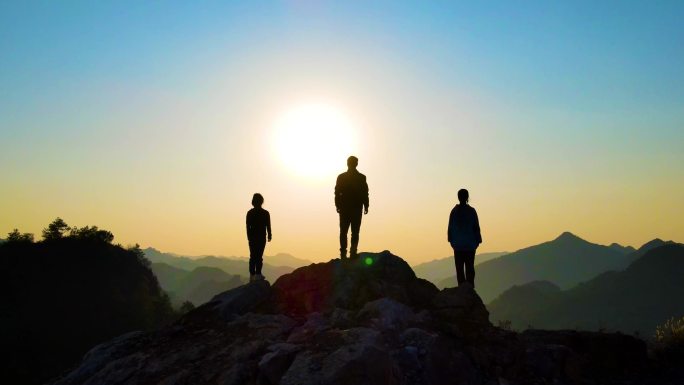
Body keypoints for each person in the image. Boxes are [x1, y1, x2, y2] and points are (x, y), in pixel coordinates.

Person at [334, 156, 369, 259]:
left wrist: (337, 204)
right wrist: (366, 205)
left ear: (347, 163)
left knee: (344, 231)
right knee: (354, 232)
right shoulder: (361, 177)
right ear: (356, 164)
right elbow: (365, 193)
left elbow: (337, 193)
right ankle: (352, 253)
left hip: (346, 208)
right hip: (356, 208)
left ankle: (343, 254)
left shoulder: (341, 177)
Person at [447, 188, 482, 287]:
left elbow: (450, 229)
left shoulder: (454, 212)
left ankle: (461, 288)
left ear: (458, 197)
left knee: (459, 268)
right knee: (470, 267)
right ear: (467, 197)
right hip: (470, 245)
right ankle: (470, 288)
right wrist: (477, 241)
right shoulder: (471, 211)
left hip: (458, 245)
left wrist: (452, 242)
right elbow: (476, 228)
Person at [246, 193, 272, 282]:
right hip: (261, 238)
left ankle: (252, 275)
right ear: (261, 201)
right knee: (259, 256)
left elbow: (247, 227)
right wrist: (269, 235)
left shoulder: (250, 213)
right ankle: (258, 274)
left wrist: (249, 237)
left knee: (253, 256)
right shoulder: (265, 213)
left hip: (252, 238)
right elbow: (268, 225)